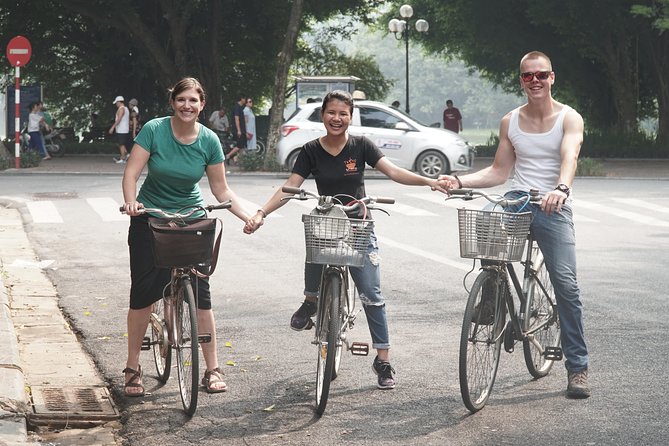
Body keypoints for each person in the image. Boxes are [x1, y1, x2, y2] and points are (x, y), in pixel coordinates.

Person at [245, 90, 447, 390]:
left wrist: (430, 181)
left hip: (359, 223)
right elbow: (290, 187)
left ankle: (382, 358)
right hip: (328, 220)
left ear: (351, 117)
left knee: (371, 294)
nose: (336, 119)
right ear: (322, 115)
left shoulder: (361, 145)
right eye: (331, 113)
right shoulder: (310, 150)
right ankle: (310, 300)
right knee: (313, 235)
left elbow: (392, 171)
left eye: (343, 114)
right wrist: (261, 212)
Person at [438, 51, 590, 399]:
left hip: (553, 204)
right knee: (489, 236)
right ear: (520, 80)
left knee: (566, 286)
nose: (534, 81)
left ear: (553, 77)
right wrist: (459, 182)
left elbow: (570, 156)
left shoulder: (569, 118)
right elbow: (498, 172)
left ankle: (578, 367)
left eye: (541, 75)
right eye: (527, 76)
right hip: (518, 200)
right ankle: (493, 299)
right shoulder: (511, 121)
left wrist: (561, 190)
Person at [120, 77, 253, 396]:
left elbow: (221, 189)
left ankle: (212, 368)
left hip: (191, 219)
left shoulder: (209, 140)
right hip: (150, 217)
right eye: (182, 100)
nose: (187, 106)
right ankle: (132, 366)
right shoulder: (154, 129)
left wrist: (247, 216)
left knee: (201, 295)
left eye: (193, 101)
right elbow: (132, 173)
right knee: (142, 295)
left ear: (202, 104)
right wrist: (131, 202)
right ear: (173, 102)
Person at [109, 96, 130, 163]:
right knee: (122, 144)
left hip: (122, 129)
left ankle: (123, 159)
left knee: (121, 144)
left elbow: (119, 119)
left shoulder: (121, 109)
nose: (116, 104)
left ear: (119, 102)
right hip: (124, 129)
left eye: (116, 103)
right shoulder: (126, 109)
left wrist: (112, 127)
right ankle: (126, 155)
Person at [228, 95, 248, 163]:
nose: (245, 100)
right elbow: (237, 119)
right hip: (238, 130)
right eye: (245, 99)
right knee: (240, 145)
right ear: (242, 99)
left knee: (242, 145)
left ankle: (236, 159)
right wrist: (238, 130)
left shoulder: (241, 108)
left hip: (242, 130)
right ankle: (228, 156)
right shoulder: (237, 107)